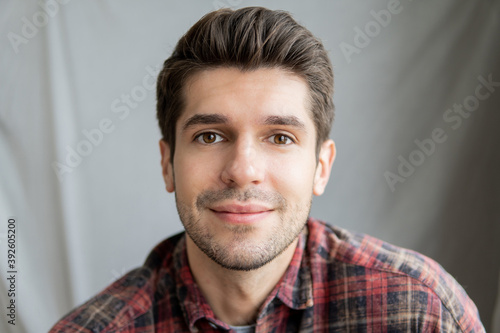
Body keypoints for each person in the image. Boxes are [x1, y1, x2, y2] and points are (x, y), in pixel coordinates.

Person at [50, 7, 484, 332]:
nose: (242, 170)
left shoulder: (421, 311)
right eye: (210, 136)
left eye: (280, 137)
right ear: (167, 164)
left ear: (321, 166)